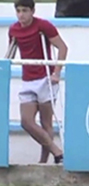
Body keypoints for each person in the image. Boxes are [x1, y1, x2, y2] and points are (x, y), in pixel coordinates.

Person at [7, 0, 67, 165]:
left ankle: (43, 163)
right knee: (26, 121)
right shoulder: (13, 30)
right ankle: (57, 151)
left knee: (45, 122)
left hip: (44, 78)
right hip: (28, 80)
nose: (21, 15)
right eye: (18, 11)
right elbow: (10, 52)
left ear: (32, 11)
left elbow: (62, 47)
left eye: (25, 11)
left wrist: (56, 73)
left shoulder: (43, 26)